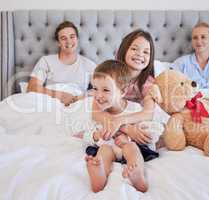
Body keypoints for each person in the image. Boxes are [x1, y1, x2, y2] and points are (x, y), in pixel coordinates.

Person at [75, 60, 161, 193]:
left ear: (122, 92)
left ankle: (137, 175)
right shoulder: (99, 112)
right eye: (95, 88)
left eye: (106, 90)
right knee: (103, 150)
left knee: (131, 148)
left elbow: (151, 134)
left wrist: (129, 138)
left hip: (129, 148)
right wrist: (95, 136)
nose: (98, 95)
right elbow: (89, 132)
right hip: (109, 147)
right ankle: (100, 175)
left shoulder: (134, 109)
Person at [92, 29, 158, 145]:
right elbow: (96, 113)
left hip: (131, 115)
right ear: (124, 50)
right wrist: (126, 128)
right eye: (134, 49)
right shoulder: (111, 74)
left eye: (146, 52)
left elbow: (148, 113)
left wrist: (121, 121)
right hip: (113, 111)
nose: (140, 54)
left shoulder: (148, 84)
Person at [27, 21, 96, 106]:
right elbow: (32, 87)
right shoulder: (46, 61)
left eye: (72, 37)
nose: (68, 41)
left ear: (77, 39)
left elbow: (100, 89)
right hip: (50, 103)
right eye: (63, 38)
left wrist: (77, 99)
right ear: (58, 43)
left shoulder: (89, 65)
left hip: (77, 103)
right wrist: (60, 95)